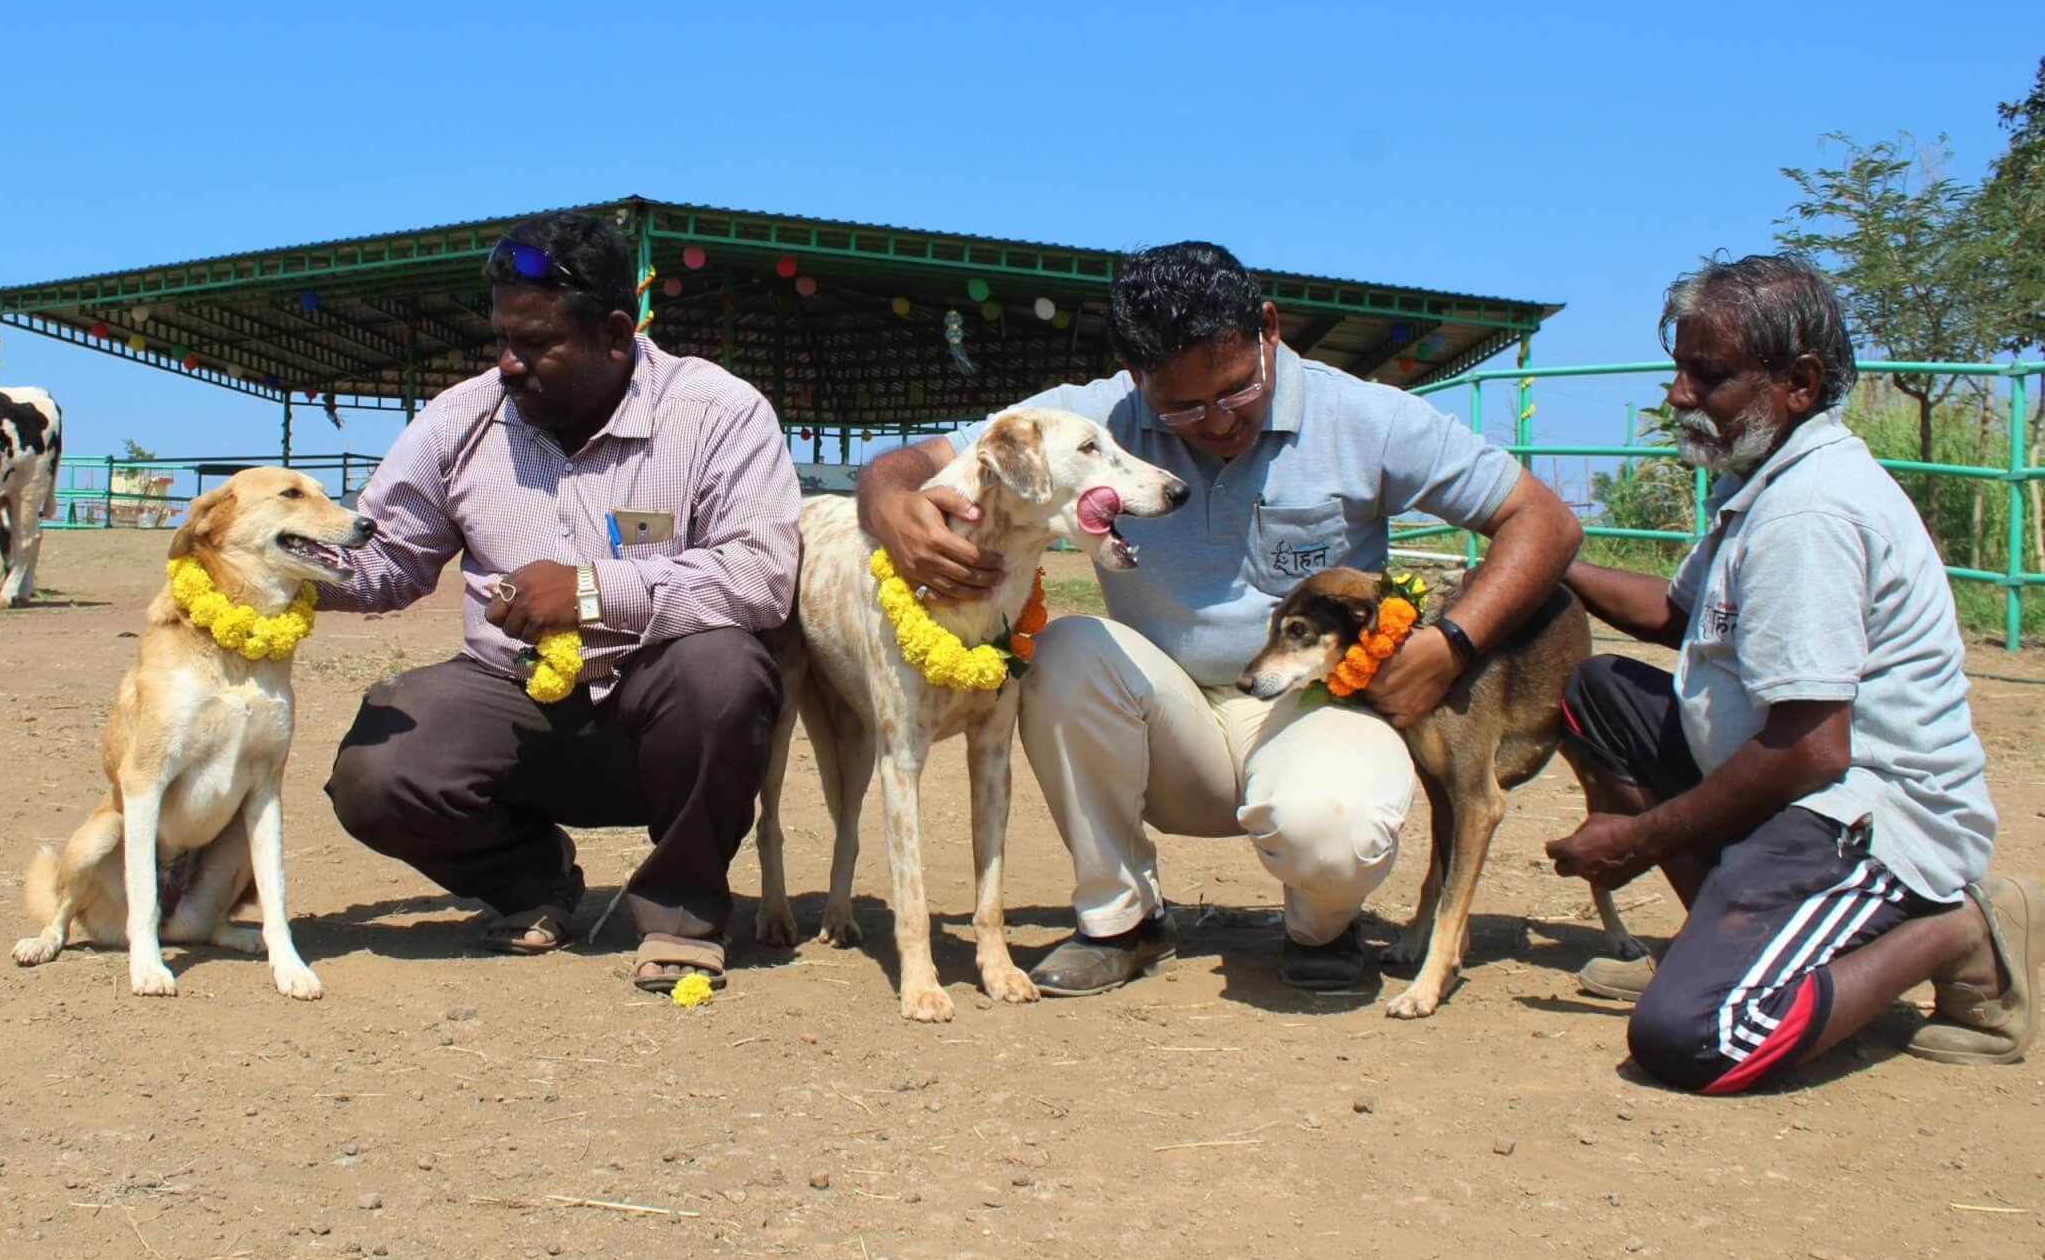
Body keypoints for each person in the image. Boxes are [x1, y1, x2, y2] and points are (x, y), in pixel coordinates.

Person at [859, 241, 1582, 995]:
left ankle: (1322, 930)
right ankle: (1121, 920)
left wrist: (1453, 643)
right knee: (1064, 649)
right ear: (1138, 379)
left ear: (1268, 330)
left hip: (1310, 713)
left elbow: (1545, 521)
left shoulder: (1367, 417)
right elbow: (914, 462)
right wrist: (887, 505)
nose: (1216, 422)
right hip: (1172, 730)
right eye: (1182, 406)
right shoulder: (1097, 416)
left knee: (1332, 819)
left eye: (1235, 392)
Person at [1548, 251, 2036, 1093]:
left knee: (1697, 1037)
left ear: (1799, 383)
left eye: (1707, 375)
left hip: (1868, 817)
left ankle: (1957, 932)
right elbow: (1677, 613)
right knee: (1600, 694)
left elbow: (1811, 750)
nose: (1679, 396)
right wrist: (1547, 560)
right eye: (1680, 371)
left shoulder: (1810, 513)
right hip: (1793, 789)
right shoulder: (1766, 480)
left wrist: (1640, 839)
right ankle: (1722, 944)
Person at [320, 210, 801, 992]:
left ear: (616, 335)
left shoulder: (718, 413)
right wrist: (260, 569)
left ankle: (683, 910)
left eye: (536, 343)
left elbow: (763, 574)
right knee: (379, 770)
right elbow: (389, 561)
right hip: (516, 701)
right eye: (501, 340)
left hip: (668, 712)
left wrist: (588, 591)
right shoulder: (459, 420)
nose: (509, 363)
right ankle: (531, 880)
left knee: (723, 669)